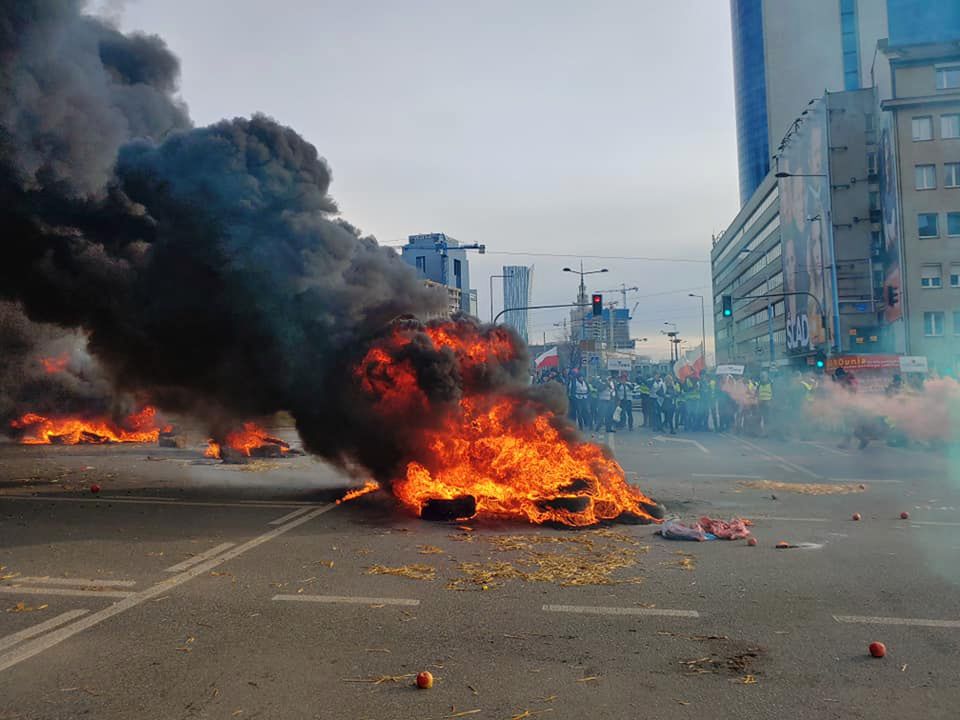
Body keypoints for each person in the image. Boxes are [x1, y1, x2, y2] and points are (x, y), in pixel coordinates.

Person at [757, 371, 774, 437]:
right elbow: (757, 393)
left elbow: (774, 393)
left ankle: (768, 432)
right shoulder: (759, 384)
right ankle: (762, 432)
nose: (763, 377)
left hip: (768, 402)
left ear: (767, 376)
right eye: (762, 376)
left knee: (767, 418)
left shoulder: (771, 384)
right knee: (760, 418)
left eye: (764, 376)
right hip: (761, 403)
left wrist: (772, 402)